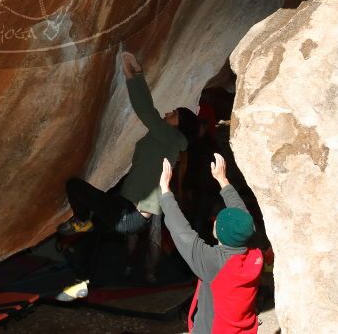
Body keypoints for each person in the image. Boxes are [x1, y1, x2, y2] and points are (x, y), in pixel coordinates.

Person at [58, 50, 200, 236]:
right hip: (128, 211)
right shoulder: (167, 140)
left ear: (180, 126)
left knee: (74, 186)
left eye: (174, 114)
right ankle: (89, 221)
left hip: (128, 214)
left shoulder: (171, 138)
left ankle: (83, 221)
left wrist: (134, 76)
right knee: (88, 200)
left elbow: (147, 111)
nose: (168, 114)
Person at [159, 154, 263, 333]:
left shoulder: (214, 263)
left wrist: (165, 191)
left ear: (219, 232)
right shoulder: (256, 255)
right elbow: (244, 219)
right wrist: (222, 179)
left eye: (217, 221)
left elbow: (182, 232)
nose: (214, 221)